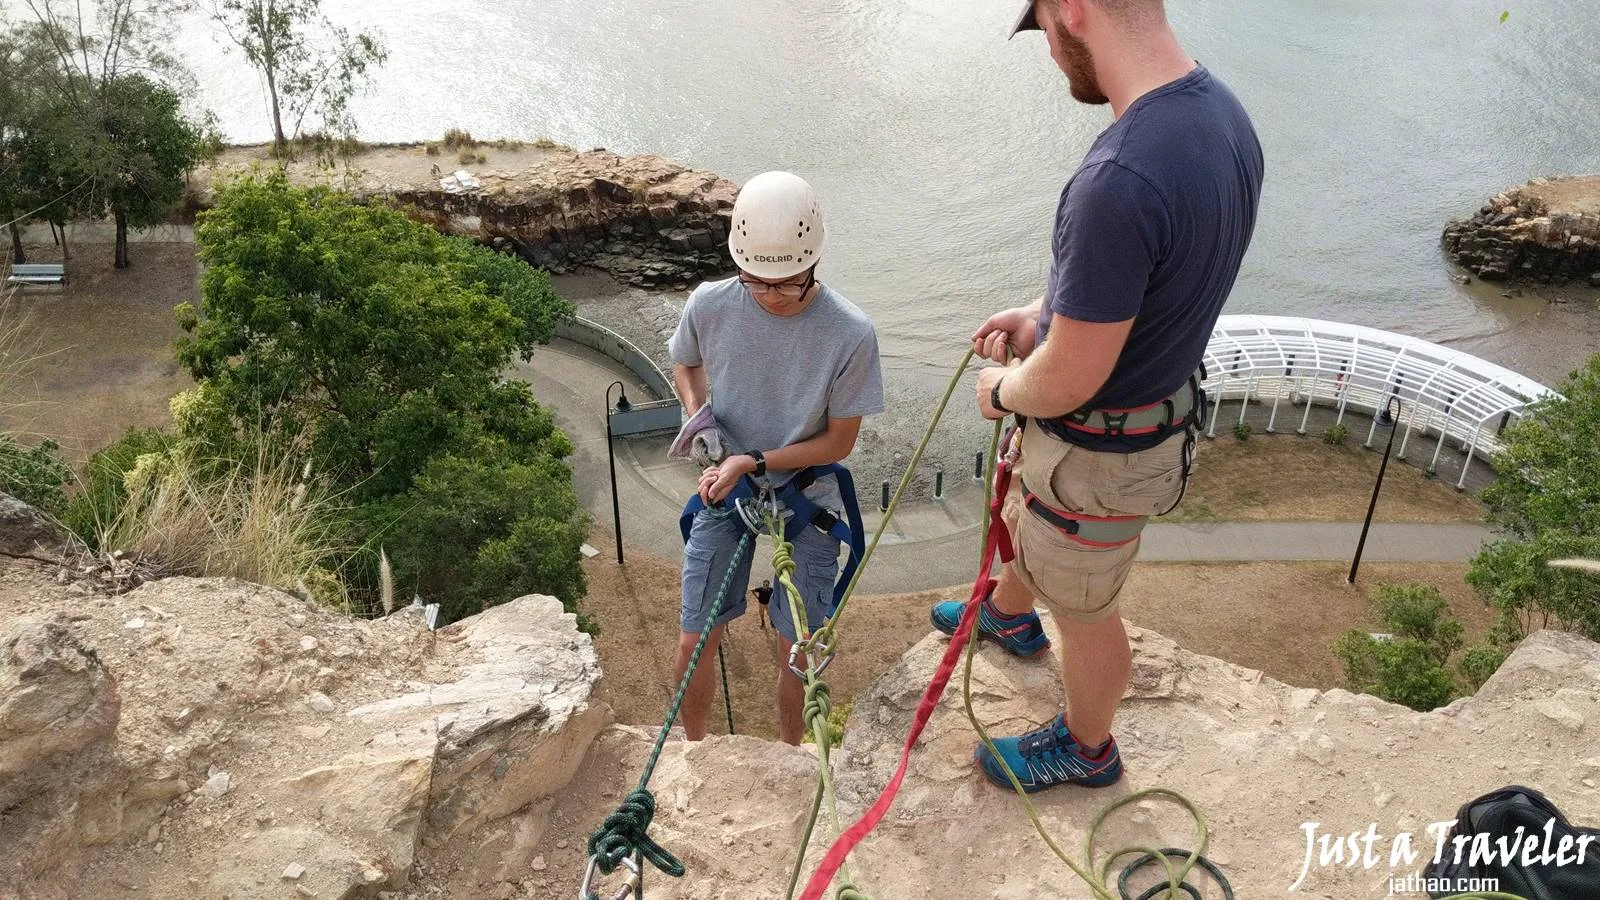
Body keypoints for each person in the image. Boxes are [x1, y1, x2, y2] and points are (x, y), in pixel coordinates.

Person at [930, 0, 1264, 792]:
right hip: (1147, 418)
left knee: (1084, 608)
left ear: (1073, 9)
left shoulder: (1117, 177)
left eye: (1044, 27)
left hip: (1103, 454)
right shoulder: (1221, 117)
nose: (1049, 49)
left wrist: (1005, 390)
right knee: (1032, 522)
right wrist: (1047, 315)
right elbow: (1150, 280)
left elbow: (1071, 377)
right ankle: (1009, 616)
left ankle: (1087, 747)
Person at [669, 171, 884, 744]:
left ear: (814, 263)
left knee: (801, 654)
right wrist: (699, 416)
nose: (770, 296)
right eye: (755, 281)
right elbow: (686, 363)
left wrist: (755, 461)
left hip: (805, 494)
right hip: (728, 482)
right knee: (695, 638)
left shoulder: (850, 333)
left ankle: (791, 761)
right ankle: (691, 753)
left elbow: (839, 442)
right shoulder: (712, 303)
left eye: (787, 283)